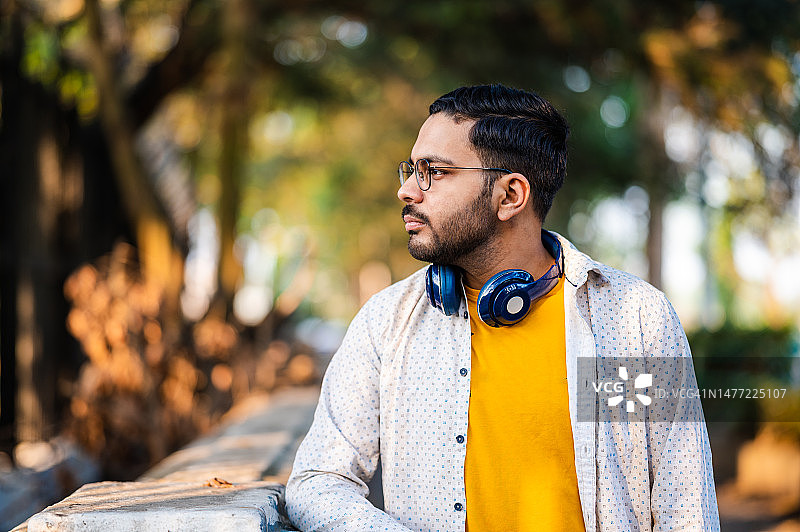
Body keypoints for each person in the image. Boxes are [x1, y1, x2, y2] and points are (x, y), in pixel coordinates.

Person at [285, 84, 720, 531]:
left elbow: (683, 505)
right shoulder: (386, 322)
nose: (408, 191)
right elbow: (319, 480)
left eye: (434, 171)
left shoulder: (632, 319)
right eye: (411, 170)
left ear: (510, 195)